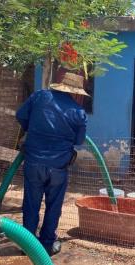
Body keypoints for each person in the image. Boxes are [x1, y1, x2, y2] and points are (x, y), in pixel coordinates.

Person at [16, 72, 88, 255]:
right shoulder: (79, 112)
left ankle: (29, 246)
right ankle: (47, 244)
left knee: (31, 204)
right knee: (53, 205)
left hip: (34, 162)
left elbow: (20, 115)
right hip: (58, 167)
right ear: (77, 93)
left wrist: (30, 129)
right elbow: (79, 141)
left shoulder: (40, 96)